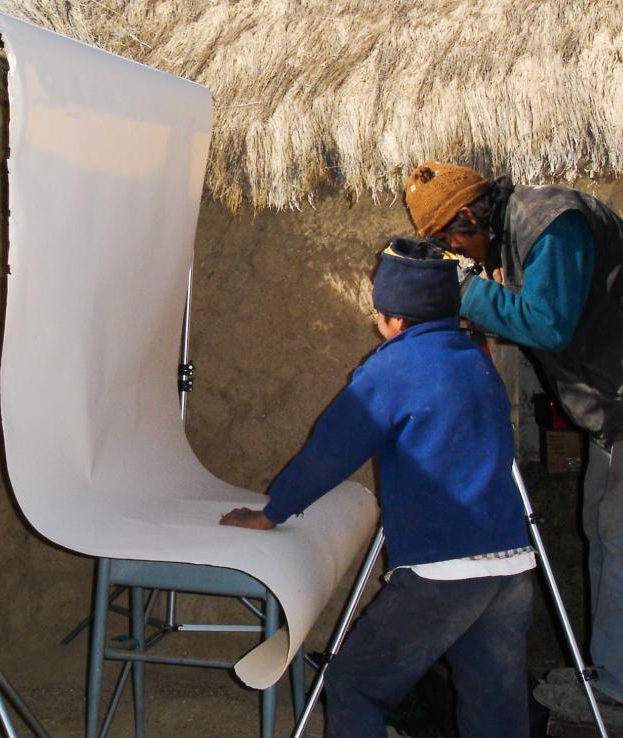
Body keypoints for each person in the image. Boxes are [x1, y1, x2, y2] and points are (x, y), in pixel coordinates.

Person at [402, 161, 623, 727]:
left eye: (449, 236)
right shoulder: (518, 235)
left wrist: (464, 294)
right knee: (603, 526)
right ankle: (612, 673)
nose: (454, 248)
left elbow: (550, 325)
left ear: (470, 214)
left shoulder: (550, 220)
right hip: (621, 397)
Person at [220, 239, 535, 738]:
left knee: (356, 685)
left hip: (443, 570)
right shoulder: (476, 360)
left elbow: (330, 452)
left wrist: (272, 512)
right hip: (511, 563)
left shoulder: (393, 369)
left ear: (393, 318)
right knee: (492, 706)